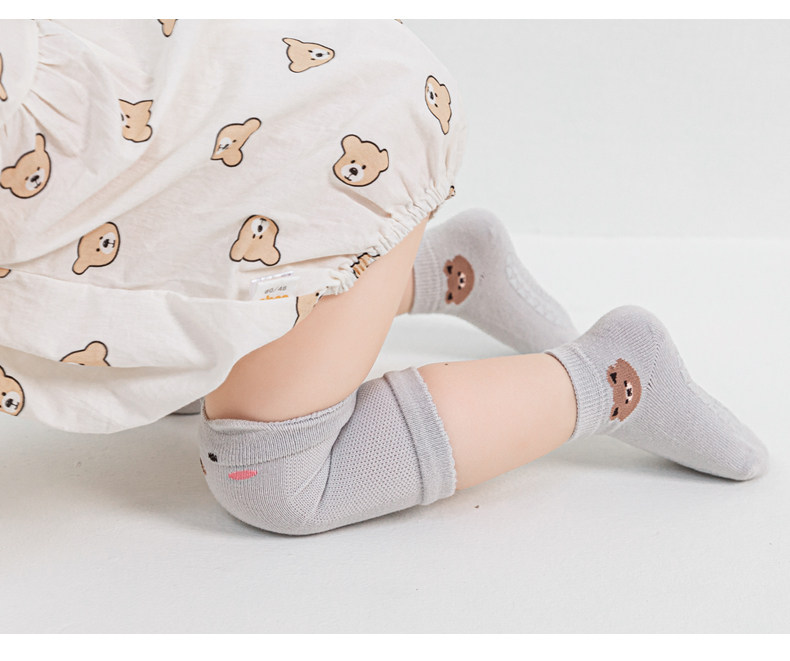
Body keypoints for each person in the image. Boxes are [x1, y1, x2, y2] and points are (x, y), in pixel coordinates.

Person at [0, 20, 768, 537]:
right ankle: (439, 271)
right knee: (168, 366)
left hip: (326, 128)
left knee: (270, 476)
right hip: (267, 96)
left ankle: (610, 375)